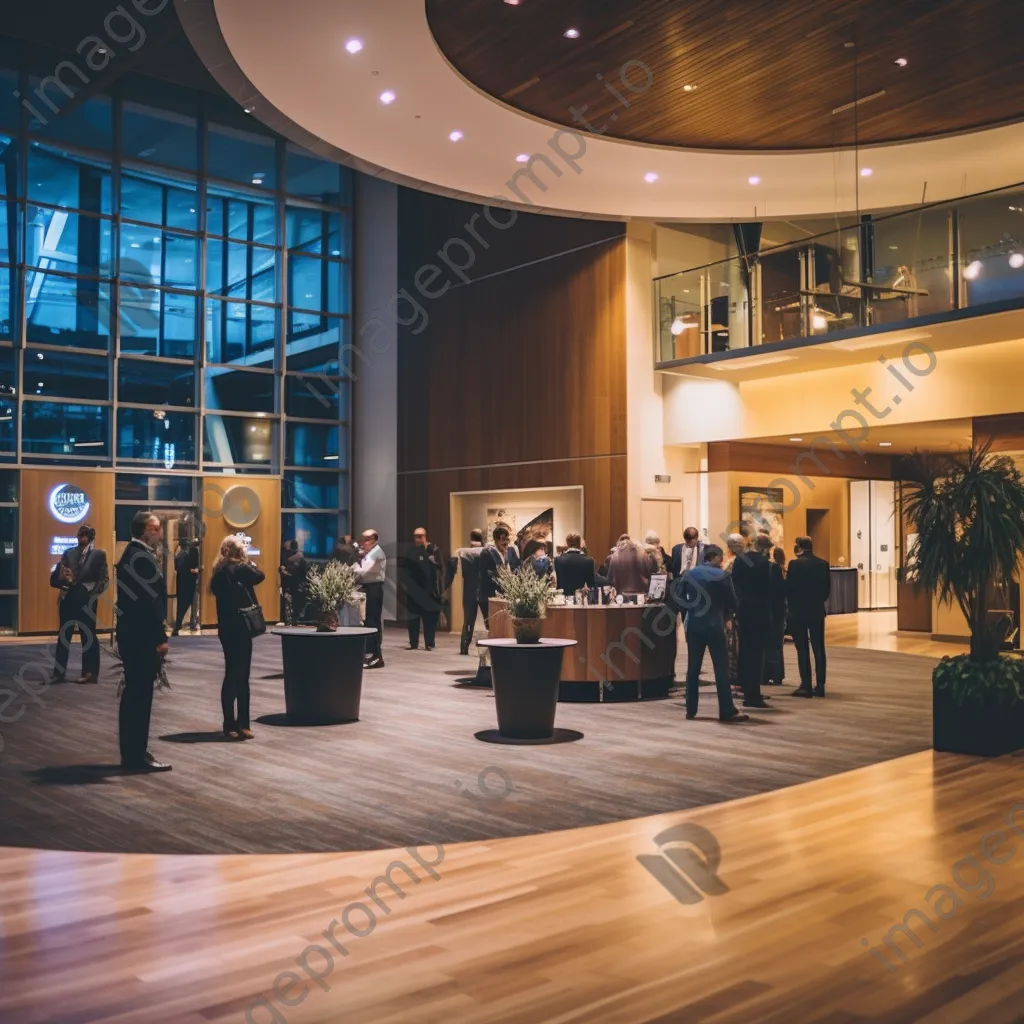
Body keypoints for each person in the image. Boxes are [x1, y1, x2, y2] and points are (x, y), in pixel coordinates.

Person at [116, 511, 171, 772]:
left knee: (135, 694)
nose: (159, 534)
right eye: (156, 529)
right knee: (139, 696)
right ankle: (136, 755)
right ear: (144, 530)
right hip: (141, 638)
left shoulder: (132, 554)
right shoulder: (140, 558)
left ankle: (135, 752)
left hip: (132, 634)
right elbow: (149, 602)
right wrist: (159, 638)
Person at [680, 544, 748, 724]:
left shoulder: (690, 574)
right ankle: (726, 709)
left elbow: (680, 598)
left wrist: (692, 611)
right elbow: (733, 602)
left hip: (694, 625)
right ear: (716, 558)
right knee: (721, 668)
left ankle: (691, 708)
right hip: (715, 626)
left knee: (693, 668)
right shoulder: (723, 575)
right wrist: (727, 614)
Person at [210, 535, 265, 740]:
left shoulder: (219, 570)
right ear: (238, 552)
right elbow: (260, 575)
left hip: (226, 627)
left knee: (232, 672)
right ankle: (243, 723)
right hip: (241, 627)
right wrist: (248, 561)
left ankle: (230, 723)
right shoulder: (240, 569)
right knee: (241, 675)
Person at [49, 523, 109, 684]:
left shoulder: (99, 555)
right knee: (64, 637)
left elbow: (103, 581)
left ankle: (90, 673)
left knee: (88, 636)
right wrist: (62, 580)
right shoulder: (68, 553)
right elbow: (56, 577)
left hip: (87, 602)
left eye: (86, 533)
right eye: (80, 533)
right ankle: (58, 673)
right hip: (68, 599)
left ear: (92, 536)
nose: (82, 535)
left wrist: (89, 593)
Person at [728, 532, 772, 710]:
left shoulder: (740, 560)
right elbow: (767, 590)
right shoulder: (763, 563)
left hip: (743, 611)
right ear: (764, 547)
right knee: (756, 654)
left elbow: (735, 584)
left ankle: (745, 689)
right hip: (759, 612)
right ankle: (753, 694)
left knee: (744, 651)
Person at [787, 536, 831, 697]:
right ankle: (820, 685)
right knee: (819, 648)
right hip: (816, 610)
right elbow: (827, 591)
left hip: (798, 611)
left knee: (802, 648)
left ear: (798, 547)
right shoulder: (822, 564)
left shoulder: (794, 564)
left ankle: (806, 684)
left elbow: (789, 589)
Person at [448, 528, 488, 655]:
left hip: (469, 589)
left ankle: (464, 647)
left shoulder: (462, 552)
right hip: (484, 589)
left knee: (468, 620)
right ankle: (495, 644)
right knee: (489, 620)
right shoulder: (487, 552)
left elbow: (453, 569)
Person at [403, 527, 442, 650]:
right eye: (415, 536)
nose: (417, 539)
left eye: (420, 536)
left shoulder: (433, 550)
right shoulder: (411, 551)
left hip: (429, 591)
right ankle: (413, 643)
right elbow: (406, 569)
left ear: (425, 537)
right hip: (414, 590)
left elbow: (440, 566)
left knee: (429, 618)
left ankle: (430, 643)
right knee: (413, 618)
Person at [478, 526, 520, 629]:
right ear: (495, 540)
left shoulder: (511, 550)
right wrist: (501, 577)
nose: (505, 543)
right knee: (492, 626)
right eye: (502, 540)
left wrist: (515, 576)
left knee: (506, 625)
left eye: (507, 539)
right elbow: (485, 574)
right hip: (491, 594)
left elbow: (518, 566)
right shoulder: (487, 553)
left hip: (507, 594)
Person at [356, 529, 387, 668]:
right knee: (370, 621)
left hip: (374, 588)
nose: (364, 543)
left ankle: (376, 656)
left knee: (373, 622)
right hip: (370, 588)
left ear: (374, 540)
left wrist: (353, 568)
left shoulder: (376, 553)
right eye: (363, 539)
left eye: (367, 539)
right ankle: (372, 654)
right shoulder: (370, 553)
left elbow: (364, 570)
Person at [764, 544, 788, 686]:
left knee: (769, 643)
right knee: (777, 644)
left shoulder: (772, 569)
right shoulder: (779, 570)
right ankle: (777, 674)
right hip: (779, 610)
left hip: (773, 611)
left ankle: (768, 674)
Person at [172, 538, 200, 636]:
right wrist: (197, 570)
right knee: (190, 604)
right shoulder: (188, 554)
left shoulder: (179, 555)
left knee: (183, 605)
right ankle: (182, 625)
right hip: (189, 583)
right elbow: (188, 569)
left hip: (182, 583)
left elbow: (177, 568)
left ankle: (179, 626)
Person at [554, 532, 595, 597]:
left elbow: (558, 585)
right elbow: (591, 585)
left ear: (567, 543)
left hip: (564, 599)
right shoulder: (588, 561)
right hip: (581, 599)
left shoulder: (558, 560)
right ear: (579, 544)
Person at [278, 540, 307, 626]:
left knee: (287, 602)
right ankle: (295, 620)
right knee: (296, 604)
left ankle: (288, 620)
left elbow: (282, 567)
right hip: (297, 583)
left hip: (288, 582)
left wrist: (283, 571)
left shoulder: (284, 556)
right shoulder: (300, 557)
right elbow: (304, 571)